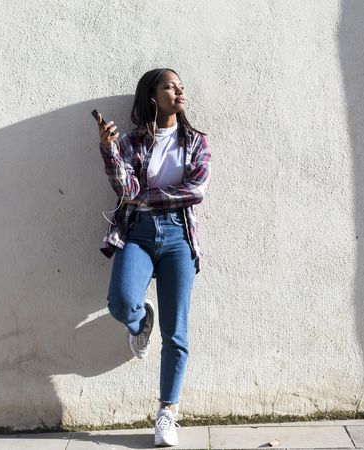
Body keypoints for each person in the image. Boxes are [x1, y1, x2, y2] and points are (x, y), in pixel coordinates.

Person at [95, 68, 211, 447]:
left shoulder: (196, 142)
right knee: (121, 303)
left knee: (176, 333)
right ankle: (139, 320)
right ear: (152, 95)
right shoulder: (130, 142)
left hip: (179, 234)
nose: (179, 90)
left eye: (181, 85)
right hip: (138, 233)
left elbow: (195, 190)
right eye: (170, 86)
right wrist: (109, 150)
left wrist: (146, 197)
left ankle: (166, 413)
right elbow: (126, 188)